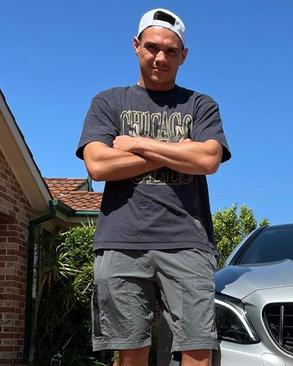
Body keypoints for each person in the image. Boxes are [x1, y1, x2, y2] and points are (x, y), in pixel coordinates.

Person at [76, 8, 231, 366]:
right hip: (121, 241)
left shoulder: (201, 105)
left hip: (187, 241)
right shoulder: (108, 102)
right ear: (136, 46)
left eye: (171, 51)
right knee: (130, 352)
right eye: (152, 47)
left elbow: (208, 160)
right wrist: (178, 150)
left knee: (197, 349)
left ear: (184, 55)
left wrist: (136, 144)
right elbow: (98, 165)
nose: (160, 57)